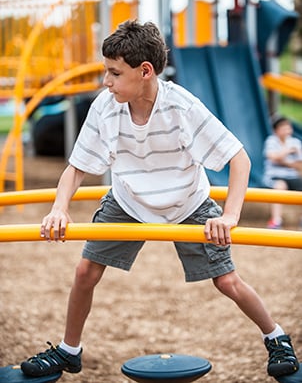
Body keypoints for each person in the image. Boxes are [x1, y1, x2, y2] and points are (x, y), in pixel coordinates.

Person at [21, 21, 299, 379]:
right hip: (129, 200)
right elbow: (76, 168)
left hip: (188, 201)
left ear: (145, 71)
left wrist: (229, 217)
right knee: (85, 271)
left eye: (114, 73)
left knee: (227, 281)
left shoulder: (181, 107)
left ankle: (276, 337)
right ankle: (68, 350)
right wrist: (59, 208)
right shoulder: (106, 106)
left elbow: (238, 158)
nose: (106, 81)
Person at [263, 115, 302, 229]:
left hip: (292, 176)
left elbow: (299, 164)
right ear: (276, 130)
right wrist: (287, 152)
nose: (287, 130)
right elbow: (272, 157)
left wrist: (283, 160)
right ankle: (276, 220)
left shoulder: (295, 142)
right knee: (280, 187)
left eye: (288, 127)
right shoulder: (271, 141)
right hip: (275, 176)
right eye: (283, 128)